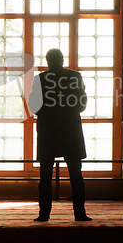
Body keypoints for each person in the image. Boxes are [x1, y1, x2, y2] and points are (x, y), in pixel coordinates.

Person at [28, 48, 92, 222]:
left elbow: (33, 107)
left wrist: (48, 112)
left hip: (48, 132)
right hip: (70, 131)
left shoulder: (39, 79)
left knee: (45, 176)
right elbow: (82, 104)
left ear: (48, 61)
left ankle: (44, 214)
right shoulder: (74, 77)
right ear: (62, 60)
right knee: (76, 176)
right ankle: (80, 214)